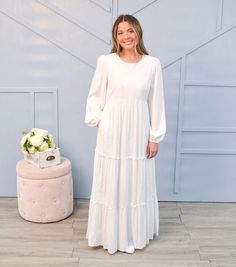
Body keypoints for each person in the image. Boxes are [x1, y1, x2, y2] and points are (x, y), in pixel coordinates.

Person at [85, 14, 166, 255]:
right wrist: (101, 122)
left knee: (135, 181)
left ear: (138, 32)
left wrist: (154, 137)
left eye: (130, 31)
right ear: (115, 37)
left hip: (139, 131)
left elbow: (156, 102)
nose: (126, 36)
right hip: (111, 132)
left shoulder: (152, 64)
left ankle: (133, 234)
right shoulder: (106, 62)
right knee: (111, 182)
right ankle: (109, 234)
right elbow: (94, 96)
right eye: (120, 32)